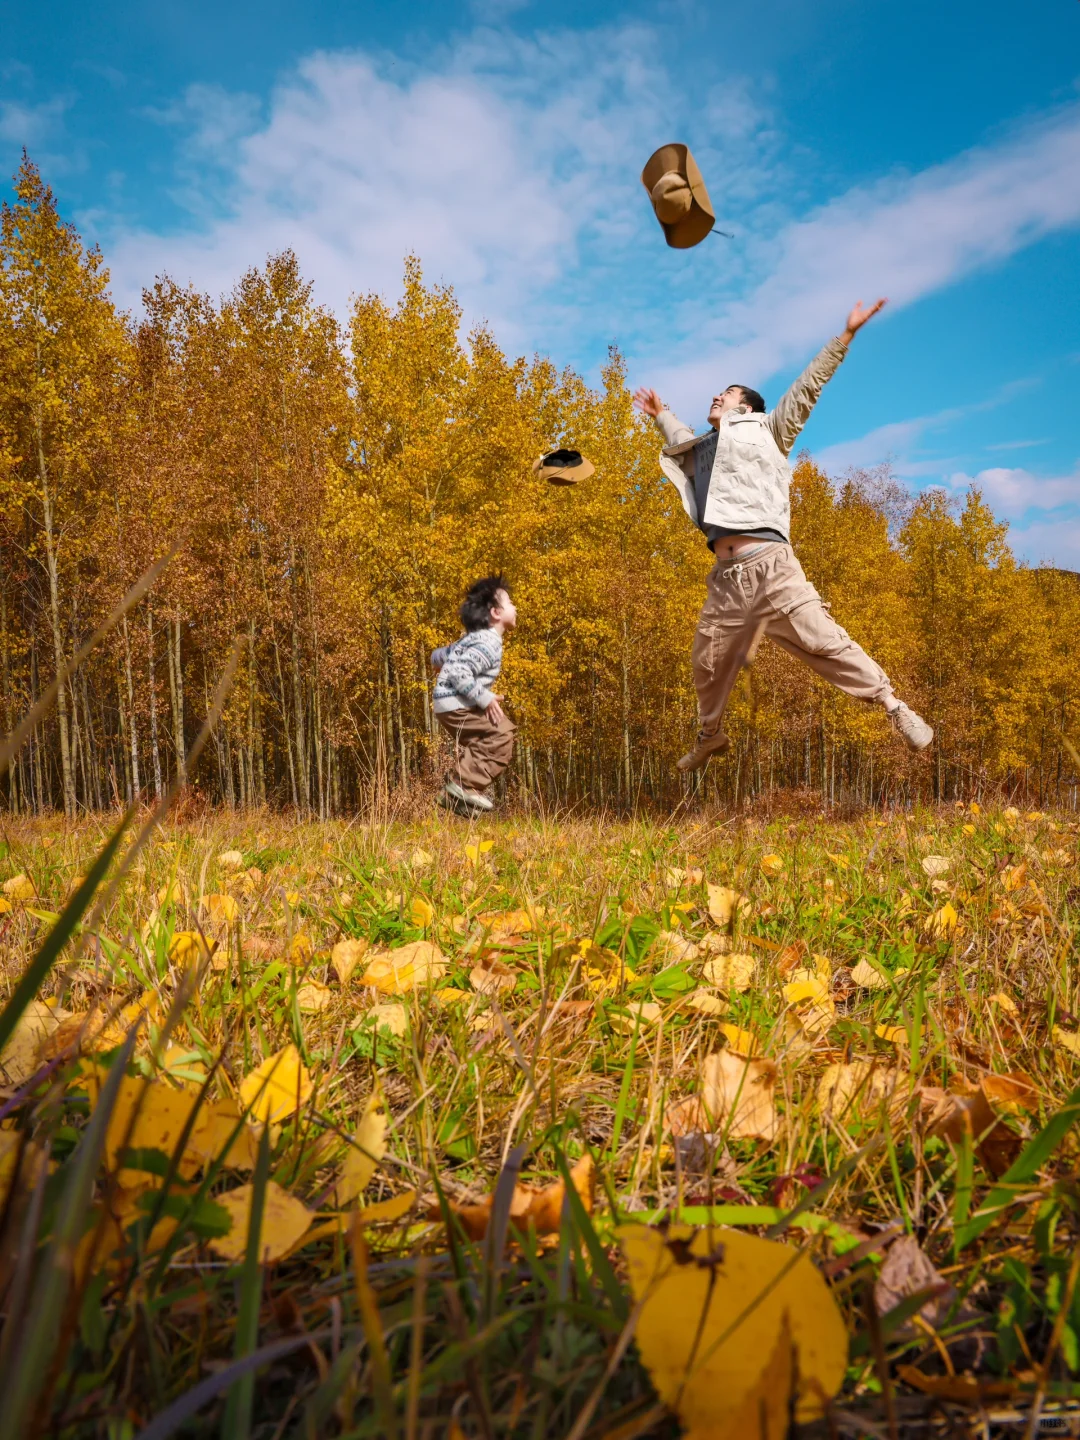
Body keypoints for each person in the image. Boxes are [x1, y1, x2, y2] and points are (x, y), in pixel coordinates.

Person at [633, 298, 933, 772]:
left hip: (771, 567)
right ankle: (710, 737)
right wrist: (659, 413)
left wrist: (846, 335)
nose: (718, 396)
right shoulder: (703, 449)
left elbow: (808, 387)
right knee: (706, 661)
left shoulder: (770, 430)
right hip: (727, 579)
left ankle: (894, 706)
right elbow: (678, 438)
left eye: (728, 392)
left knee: (824, 642)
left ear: (747, 407)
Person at [431, 575, 517, 814]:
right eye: (510, 603)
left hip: (448, 704)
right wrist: (485, 697)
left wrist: (440, 661)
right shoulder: (488, 643)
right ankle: (463, 785)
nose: (515, 607)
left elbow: (440, 656)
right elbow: (459, 671)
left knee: (489, 738)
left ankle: (459, 799)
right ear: (496, 613)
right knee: (501, 734)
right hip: (457, 704)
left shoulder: (470, 639)